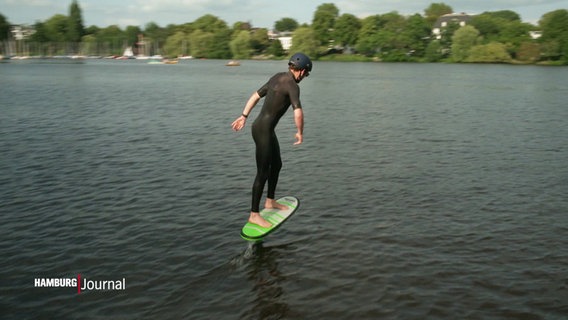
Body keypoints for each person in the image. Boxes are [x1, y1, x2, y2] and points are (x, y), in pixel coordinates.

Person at [231, 53, 312, 228]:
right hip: (263, 132)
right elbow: (298, 112)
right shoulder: (293, 86)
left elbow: (255, 96)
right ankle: (254, 214)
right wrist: (300, 132)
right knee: (262, 173)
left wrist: (244, 116)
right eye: (306, 74)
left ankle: (270, 202)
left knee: (277, 165)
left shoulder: (277, 77)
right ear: (302, 70)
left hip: (263, 129)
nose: (304, 77)